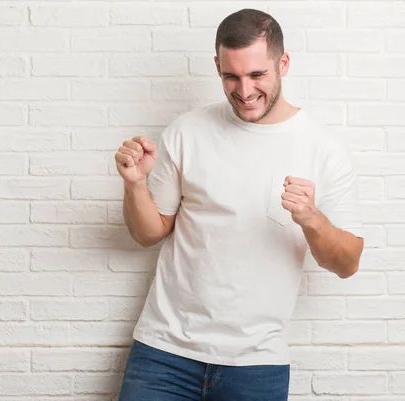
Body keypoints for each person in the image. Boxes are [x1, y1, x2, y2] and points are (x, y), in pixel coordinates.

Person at [113, 8, 364, 401]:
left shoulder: (323, 149)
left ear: (283, 63)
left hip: (256, 365)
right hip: (163, 354)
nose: (244, 91)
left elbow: (347, 263)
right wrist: (135, 185)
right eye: (231, 76)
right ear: (217, 66)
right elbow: (148, 233)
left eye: (257, 75)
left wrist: (312, 220)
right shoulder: (187, 131)